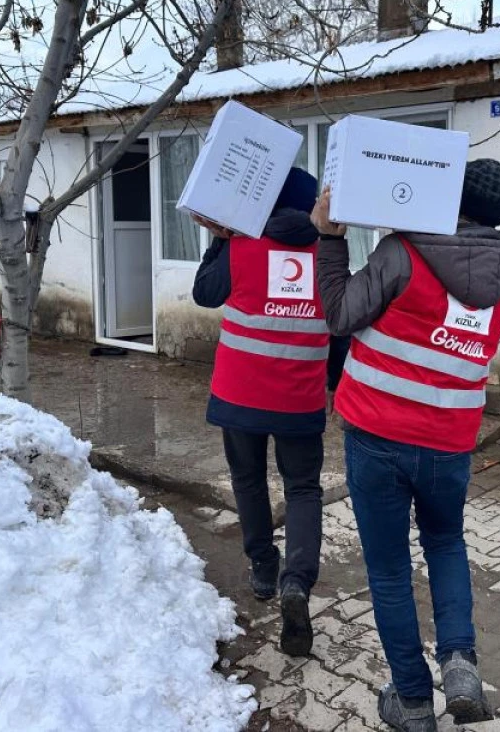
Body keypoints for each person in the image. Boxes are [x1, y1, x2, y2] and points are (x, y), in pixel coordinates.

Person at [312, 158, 500, 732]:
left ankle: (412, 701)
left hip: (378, 438)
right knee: (447, 545)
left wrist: (331, 240)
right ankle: (460, 666)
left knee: (389, 571)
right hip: (450, 445)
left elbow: (337, 315)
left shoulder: (403, 253)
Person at [192, 166, 345, 658]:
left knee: (249, 480)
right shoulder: (329, 253)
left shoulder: (241, 247)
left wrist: (219, 240)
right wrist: (337, 384)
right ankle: (296, 583)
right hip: (300, 399)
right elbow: (341, 325)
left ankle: (262, 567)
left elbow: (204, 293)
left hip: (240, 395)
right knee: (303, 489)